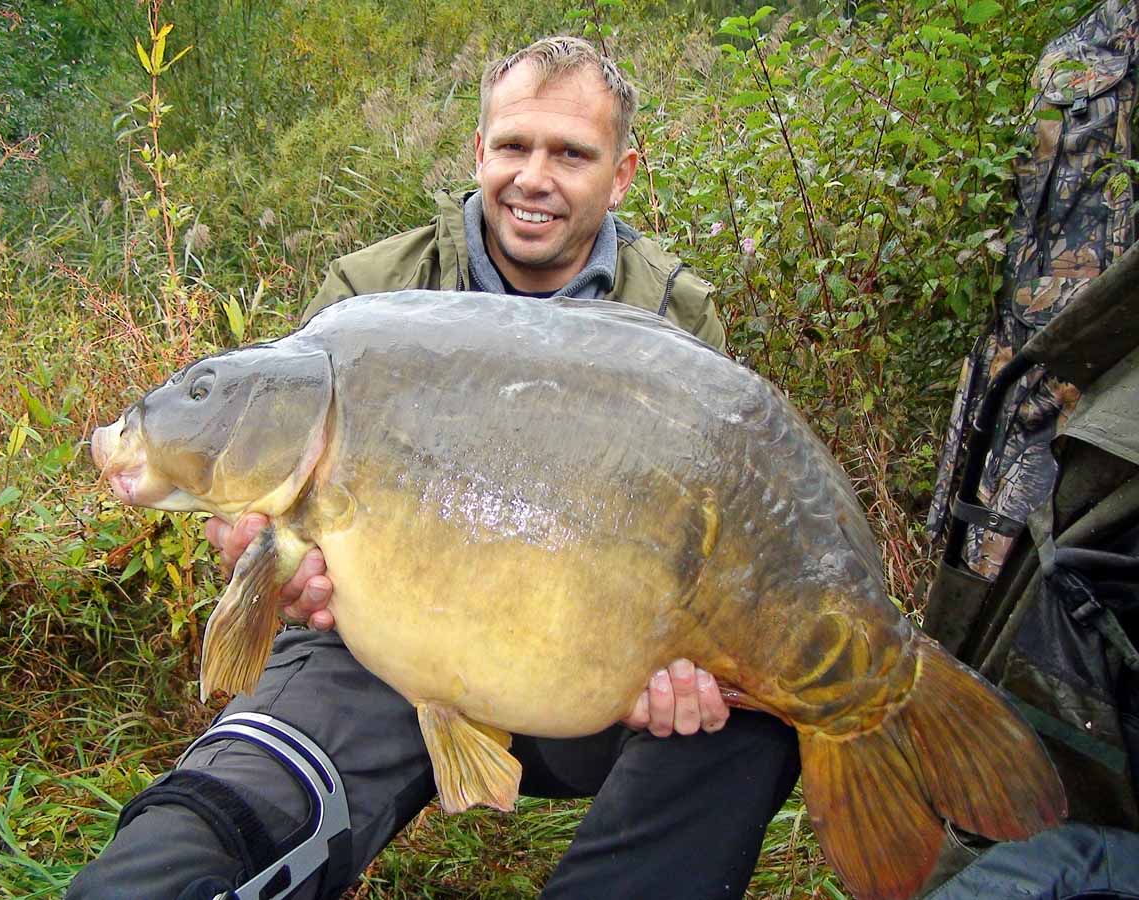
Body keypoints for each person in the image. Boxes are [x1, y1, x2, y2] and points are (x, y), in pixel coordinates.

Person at [68, 36, 800, 900]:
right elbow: (277, 504)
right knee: (198, 840)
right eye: (515, 146)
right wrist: (271, 561)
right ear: (479, 151)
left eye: (572, 153)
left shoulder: (677, 319)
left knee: (757, 721)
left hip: (584, 664)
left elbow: (709, 546)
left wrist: (687, 660)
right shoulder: (370, 293)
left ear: (624, 172)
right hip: (377, 651)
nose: (536, 177)